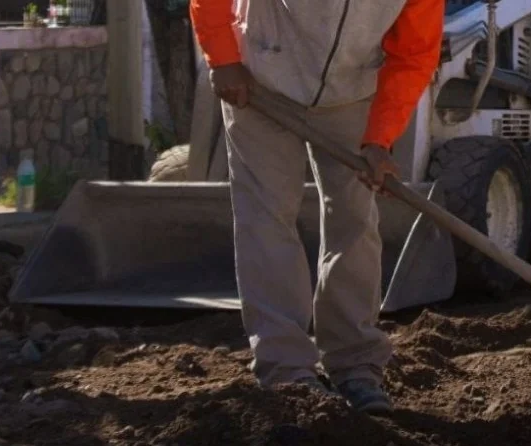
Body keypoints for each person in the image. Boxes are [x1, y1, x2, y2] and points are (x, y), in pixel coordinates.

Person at [188, 1, 443, 414]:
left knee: (356, 221)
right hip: (260, 79)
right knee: (266, 220)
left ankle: (356, 365)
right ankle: (287, 371)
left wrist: (380, 139)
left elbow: (414, 51)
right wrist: (223, 58)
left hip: (352, 92)